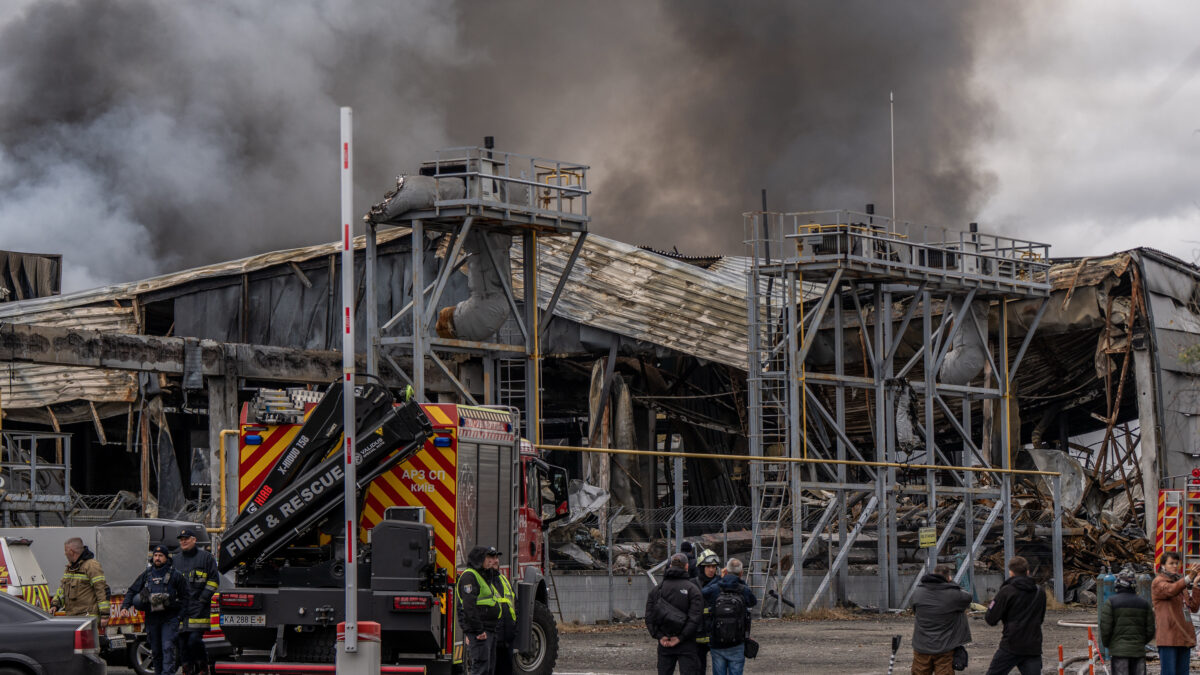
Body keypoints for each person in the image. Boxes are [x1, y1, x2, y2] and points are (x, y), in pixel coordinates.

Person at [120, 545, 188, 675]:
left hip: (169, 618)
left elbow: (186, 597)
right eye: (155, 555)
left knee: (167, 648)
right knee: (156, 651)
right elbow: (132, 590)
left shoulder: (175, 575)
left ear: (166, 557)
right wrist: (125, 607)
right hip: (152, 619)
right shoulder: (147, 574)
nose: (157, 558)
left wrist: (180, 616)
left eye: (160, 556)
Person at [983, 556, 1046, 675]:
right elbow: (1040, 618)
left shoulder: (1007, 591)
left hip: (1011, 644)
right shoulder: (1039, 591)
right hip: (1033, 645)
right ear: (1027, 571)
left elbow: (991, 619)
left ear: (1011, 572)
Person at [646, 553, 704, 675]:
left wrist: (659, 636)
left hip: (665, 642)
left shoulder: (657, 590)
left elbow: (649, 617)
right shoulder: (693, 590)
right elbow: (695, 619)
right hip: (687, 643)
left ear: (670, 566)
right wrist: (680, 637)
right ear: (687, 566)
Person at [909, 563, 971, 675]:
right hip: (945, 647)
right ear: (948, 577)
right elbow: (968, 597)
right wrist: (951, 583)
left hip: (922, 645)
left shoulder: (917, 592)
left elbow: (914, 609)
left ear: (933, 574)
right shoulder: (954, 594)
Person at [457, 546, 509, 675]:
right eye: (488, 558)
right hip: (480, 631)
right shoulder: (469, 577)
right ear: (479, 559)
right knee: (481, 668)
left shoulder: (484, 575)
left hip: (489, 629)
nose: (491, 561)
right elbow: (469, 607)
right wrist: (478, 630)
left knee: (488, 669)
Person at [174, 528, 218, 675]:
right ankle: (187, 669)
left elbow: (214, 580)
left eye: (186, 538)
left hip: (198, 609)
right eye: (181, 539)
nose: (183, 541)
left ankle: (203, 665)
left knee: (194, 640)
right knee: (182, 643)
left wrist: (203, 598)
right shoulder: (176, 560)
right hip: (181, 610)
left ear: (194, 540)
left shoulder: (206, 558)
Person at [701, 558, 757, 675]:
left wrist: (719, 578)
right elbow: (753, 602)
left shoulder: (716, 587)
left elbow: (702, 592)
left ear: (725, 571)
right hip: (737, 641)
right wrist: (742, 583)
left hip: (717, 641)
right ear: (741, 573)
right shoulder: (743, 589)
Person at [1099, 566, 1155, 675]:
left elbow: (1105, 628)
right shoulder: (1144, 604)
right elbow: (1150, 630)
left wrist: (1109, 645)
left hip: (1119, 653)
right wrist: (1140, 642)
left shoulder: (1110, 603)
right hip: (1138, 652)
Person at [1151, 551, 1200, 675]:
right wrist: (1189, 578)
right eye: (1171, 563)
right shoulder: (1158, 582)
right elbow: (1171, 590)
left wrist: (1196, 585)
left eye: (1176, 563)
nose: (1175, 566)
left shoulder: (1179, 583)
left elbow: (1193, 607)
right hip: (1168, 638)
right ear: (1163, 565)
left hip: (1183, 637)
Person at [49, 537, 110, 627]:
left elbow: (101, 590)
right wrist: (55, 604)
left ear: (71, 552)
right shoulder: (70, 568)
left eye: (66, 551)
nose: (65, 554)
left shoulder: (91, 566)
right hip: (73, 618)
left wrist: (104, 615)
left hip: (88, 618)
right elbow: (62, 589)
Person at [488, 550, 519, 675]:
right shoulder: (482, 581)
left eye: (497, 558)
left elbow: (515, 605)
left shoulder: (504, 580)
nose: (496, 561)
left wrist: (514, 629)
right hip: (491, 641)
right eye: (492, 558)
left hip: (507, 640)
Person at [695, 550, 722, 673]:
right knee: (699, 668)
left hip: (716, 633)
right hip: (698, 634)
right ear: (701, 567)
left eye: (714, 567)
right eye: (708, 567)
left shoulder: (721, 584)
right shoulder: (693, 584)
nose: (711, 570)